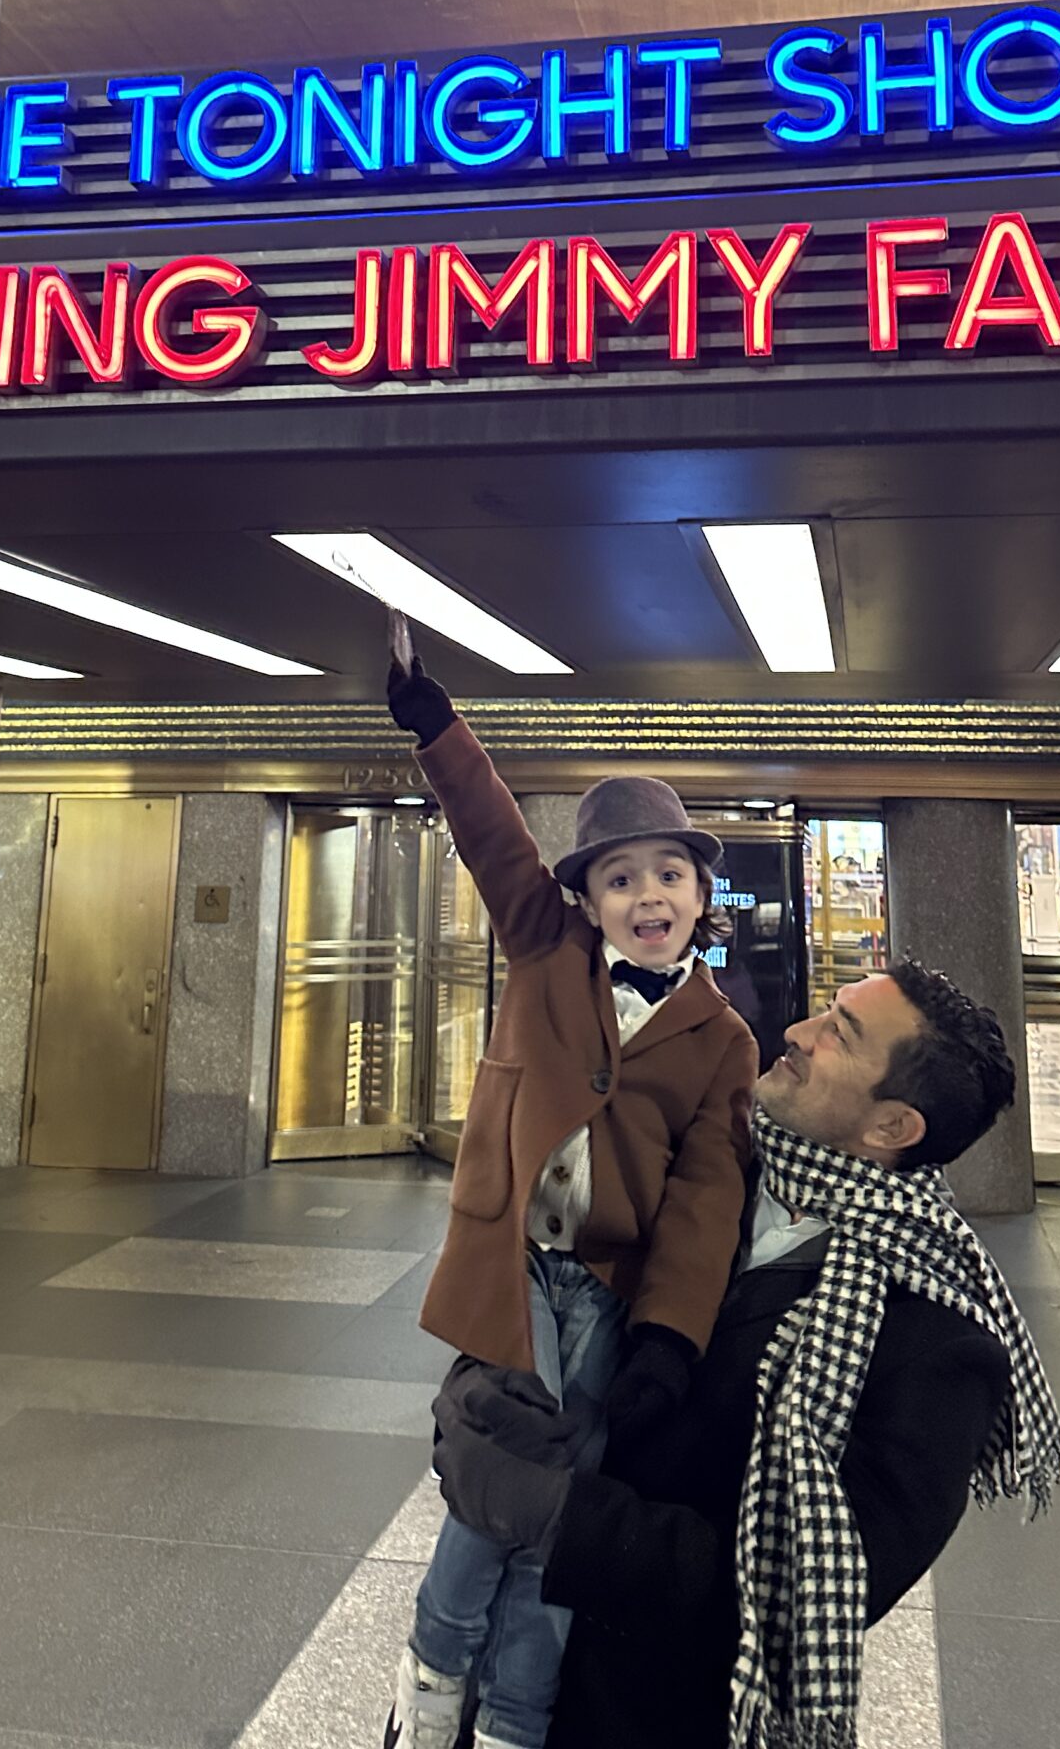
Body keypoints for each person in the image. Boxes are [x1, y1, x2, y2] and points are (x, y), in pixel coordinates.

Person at [431, 959, 1060, 1749]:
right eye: (823, 1011)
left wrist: (556, 1516)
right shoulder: (701, 1170)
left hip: (638, 1714)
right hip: (489, 1659)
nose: (798, 1032)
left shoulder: (938, 1343)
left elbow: (804, 1599)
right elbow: (552, 1264)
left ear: (893, 1128)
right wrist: (476, 1387)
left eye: (840, 1034)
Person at [384, 656, 761, 1749]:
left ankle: (518, 1713)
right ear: (586, 898)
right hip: (517, 1263)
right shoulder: (547, 953)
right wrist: (440, 729)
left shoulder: (724, 1038)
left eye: (669, 875)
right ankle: (439, 1656)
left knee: (572, 1504)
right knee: (513, 1467)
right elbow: (493, 836)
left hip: (609, 1284)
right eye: (621, 879)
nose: (648, 896)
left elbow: (707, 1192)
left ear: (700, 893)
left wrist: (670, 1339)